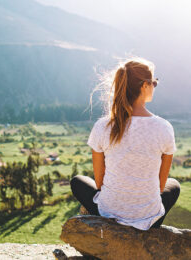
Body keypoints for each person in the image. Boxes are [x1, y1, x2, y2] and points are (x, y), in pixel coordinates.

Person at [70, 57, 180, 230]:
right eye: (154, 83)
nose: (154, 86)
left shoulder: (103, 126)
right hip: (150, 219)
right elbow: (160, 186)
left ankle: (111, 225)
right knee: (174, 185)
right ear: (144, 86)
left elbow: (99, 184)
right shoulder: (164, 128)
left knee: (78, 181)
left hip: (109, 215)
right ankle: (144, 228)